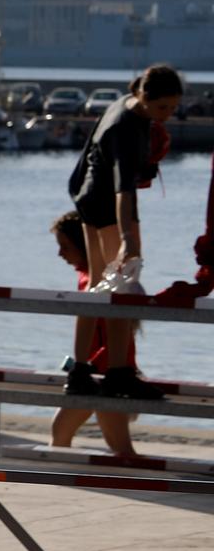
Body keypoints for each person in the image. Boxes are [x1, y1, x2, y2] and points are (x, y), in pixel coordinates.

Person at [66, 63, 182, 399]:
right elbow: (123, 190)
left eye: (173, 108)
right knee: (119, 285)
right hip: (105, 203)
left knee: (102, 284)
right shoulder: (125, 128)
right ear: (144, 96)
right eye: (162, 107)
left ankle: (85, 368)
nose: (168, 115)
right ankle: (113, 371)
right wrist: (129, 239)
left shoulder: (128, 105)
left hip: (87, 195)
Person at [47, 210, 141, 458]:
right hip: (99, 372)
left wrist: (91, 365)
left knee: (61, 433)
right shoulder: (88, 277)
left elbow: (114, 334)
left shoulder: (96, 283)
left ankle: (61, 483)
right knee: (119, 447)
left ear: (83, 243)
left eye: (65, 246)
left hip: (103, 374)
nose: (60, 254)